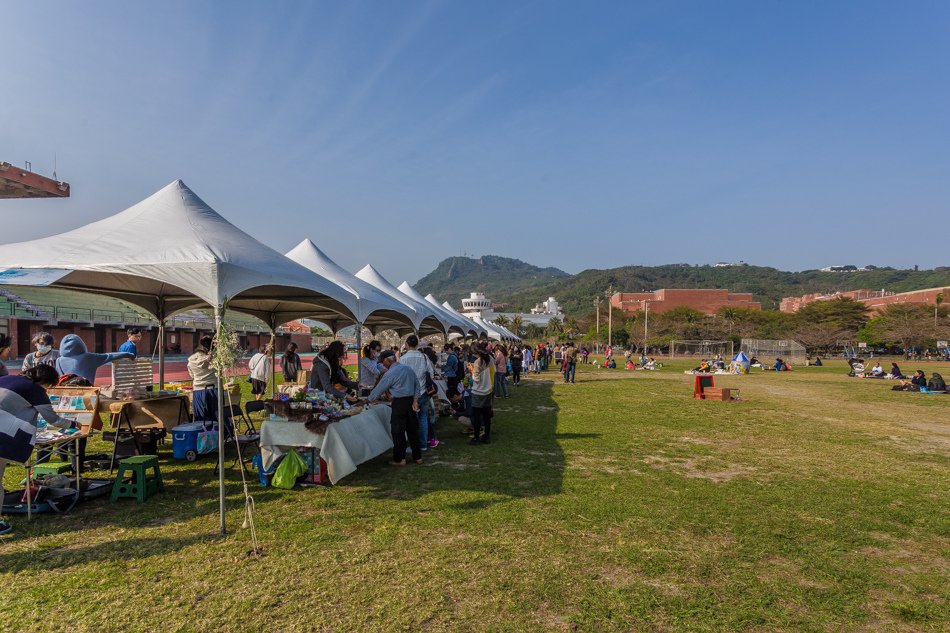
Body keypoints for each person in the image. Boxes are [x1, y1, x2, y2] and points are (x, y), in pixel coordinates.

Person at [0, 364, 78, 535]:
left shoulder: (5, 379)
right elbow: (54, 420)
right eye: (50, 387)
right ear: (46, 382)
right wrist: (74, 424)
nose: (49, 390)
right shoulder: (36, 391)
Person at [366, 350, 422, 466]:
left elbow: (379, 389)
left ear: (387, 360)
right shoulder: (408, 369)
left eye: (383, 362)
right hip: (410, 401)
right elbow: (417, 385)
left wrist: (368, 400)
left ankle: (400, 459)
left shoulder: (391, 373)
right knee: (413, 430)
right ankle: (418, 457)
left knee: (398, 431)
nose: (382, 365)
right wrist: (415, 400)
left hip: (399, 403)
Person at [398, 335, 436, 450]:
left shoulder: (403, 359)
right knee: (423, 418)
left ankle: (414, 446)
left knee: (412, 420)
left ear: (407, 344)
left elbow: (400, 377)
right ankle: (423, 444)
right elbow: (431, 373)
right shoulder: (424, 357)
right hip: (423, 391)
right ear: (417, 344)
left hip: (409, 393)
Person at [55, 334, 134, 385]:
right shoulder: (88, 357)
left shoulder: (58, 360)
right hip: (86, 389)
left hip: (64, 390)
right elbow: (109, 356)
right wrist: (127, 354)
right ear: (80, 344)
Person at [467, 344, 494, 444]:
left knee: (477, 417)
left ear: (475, 353)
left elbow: (476, 379)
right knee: (487, 416)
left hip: (478, 392)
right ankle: (487, 436)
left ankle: (476, 437)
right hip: (488, 391)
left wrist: (471, 370)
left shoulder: (478, 362)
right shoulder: (490, 358)